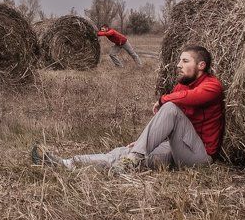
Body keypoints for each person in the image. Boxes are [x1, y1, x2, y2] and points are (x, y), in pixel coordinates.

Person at [31, 45, 223, 172]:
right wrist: (143, 142)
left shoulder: (212, 86)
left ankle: (134, 157)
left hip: (199, 157)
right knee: (122, 153)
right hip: (175, 149)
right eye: (179, 60)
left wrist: (163, 99)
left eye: (185, 61)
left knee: (171, 107)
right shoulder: (181, 86)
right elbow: (169, 126)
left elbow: (191, 98)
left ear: (201, 65)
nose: (178, 65)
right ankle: (68, 163)